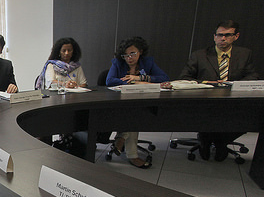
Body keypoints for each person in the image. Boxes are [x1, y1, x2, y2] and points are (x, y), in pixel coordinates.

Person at [179, 20, 259, 161]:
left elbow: (253, 76)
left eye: (228, 35)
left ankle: (221, 141)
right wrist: (207, 82)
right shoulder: (200, 55)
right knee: (209, 117)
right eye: (220, 35)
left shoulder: (245, 54)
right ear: (214, 36)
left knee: (251, 117)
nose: (223, 39)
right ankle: (205, 139)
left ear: (236, 36)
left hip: (233, 99)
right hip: (205, 100)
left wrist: (233, 84)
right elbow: (184, 77)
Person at [106, 36, 170, 168]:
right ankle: (132, 155)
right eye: (126, 55)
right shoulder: (117, 63)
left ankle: (122, 138)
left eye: (133, 53)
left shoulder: (148, 63)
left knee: (134, 114)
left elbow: (164, 78)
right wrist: (132, 81)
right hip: (122, 103)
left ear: (140, 52)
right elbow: (109, 81)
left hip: (144, 102)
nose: (129, 58)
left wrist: (141, 77)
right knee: (132, 115)